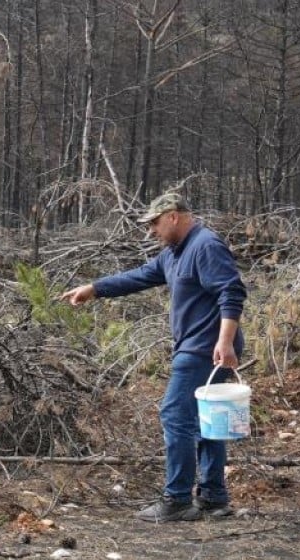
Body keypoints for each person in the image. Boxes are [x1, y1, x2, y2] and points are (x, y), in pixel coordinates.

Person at [60, 193, 246, 522]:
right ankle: (214, 498)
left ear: (173, 216)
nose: (151, 231)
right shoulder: (173, 254)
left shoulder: (205, 245)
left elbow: (231, 291)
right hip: (202, 346)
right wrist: (94, 287)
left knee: (175, 415)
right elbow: (140, 276)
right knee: (207, 419)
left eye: (154, 224)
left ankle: (177, 500)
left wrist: (226, 342)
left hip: (206, 347)